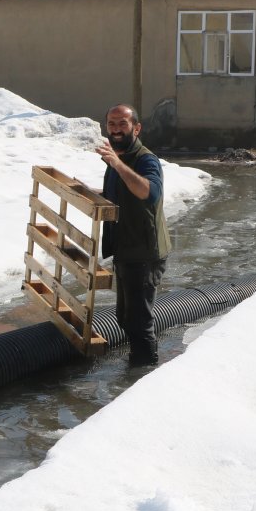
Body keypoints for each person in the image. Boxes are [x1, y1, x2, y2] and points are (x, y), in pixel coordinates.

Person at [94, 105, 171, 367]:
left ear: (136, 128)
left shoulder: (145, 159)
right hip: (126, 249)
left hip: (145, 252)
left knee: (140, 322)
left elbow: (148, 192)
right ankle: (136, 365)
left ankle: (144, 375)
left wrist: (116, 163)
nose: (116, 129)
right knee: (125, 319)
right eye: (111, 124)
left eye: (122, 124)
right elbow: (117, 194)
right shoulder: (118, 157)